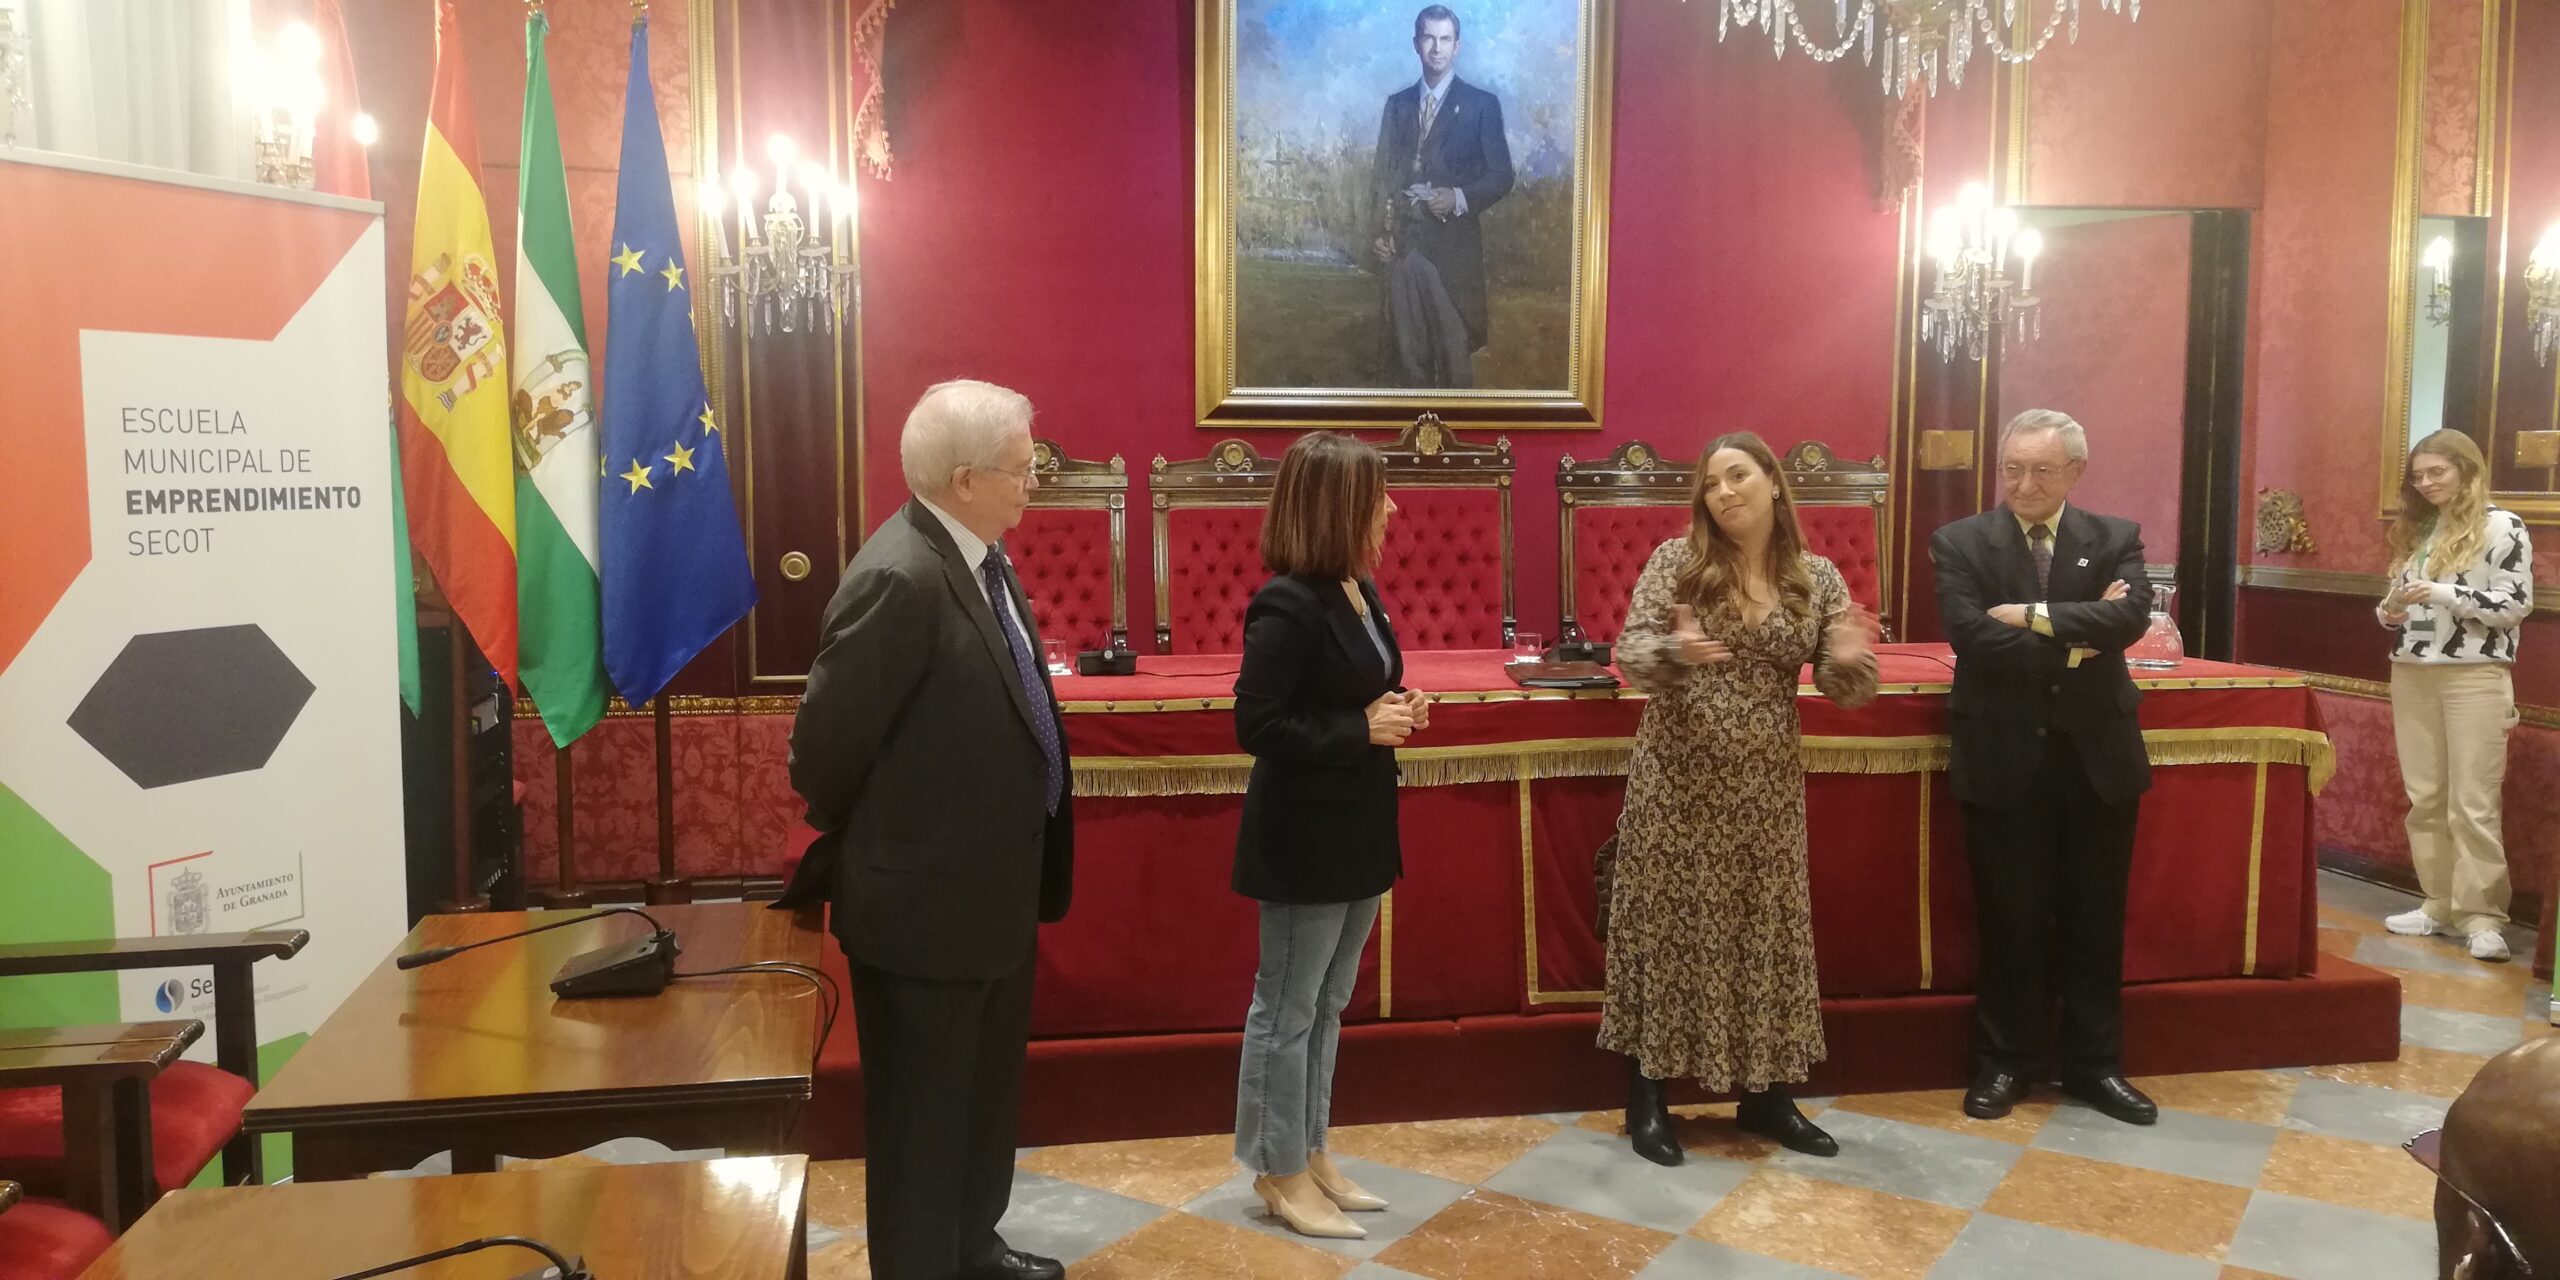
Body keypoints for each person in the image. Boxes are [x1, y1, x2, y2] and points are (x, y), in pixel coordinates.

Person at [777, 379, 1073, 1280]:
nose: (1034, 481)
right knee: (922, 1123)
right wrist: (895, 843)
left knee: (981, 1104)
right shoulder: (899, 577)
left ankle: (972, 1248)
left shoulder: (982, 556)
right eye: (1020, 468)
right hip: (923, 912)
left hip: (992, 897)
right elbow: (823, 752)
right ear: (963, 478)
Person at [1601, 431, 1879, 1166]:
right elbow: (1629, 656)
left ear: (1773, 483)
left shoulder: (1816, 578)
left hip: (1766, 790)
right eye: (1711, 483)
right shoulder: (1678, 563)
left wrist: (1849, 658)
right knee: (1667, 929)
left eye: (1737, 476)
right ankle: (1647, 1096)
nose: (1723, 493)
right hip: (1678, 781)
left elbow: (1848, 691)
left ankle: (1766, 1095)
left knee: (1765, 932)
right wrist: (1673, 651)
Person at [1931, 409, 2157, 1127]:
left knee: (2096, 919)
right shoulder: (1960, 541)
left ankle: (2096, 1066)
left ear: (2075, 472)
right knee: (2011, 919)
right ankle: (2005, 1064)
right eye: (2013, 469)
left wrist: (2029, 615)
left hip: (2097, 760)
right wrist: (2081, 637)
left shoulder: (2115, 536)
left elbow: (2131, 620)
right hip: (2003, 757)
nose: (2024, 484)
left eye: (2041, 471)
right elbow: (1971, 636)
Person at [1230, 432, 1430, 1239]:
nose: (1391, 508)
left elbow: (1362, 690)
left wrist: (1400, 707)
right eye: (1377, 495)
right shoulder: (1287, 602)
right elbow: (1257, 724)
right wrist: (1359, 729)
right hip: (1303, 841)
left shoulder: (1359, 588)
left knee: (1328, 1004)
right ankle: (1277, 1170)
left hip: (1359, 829)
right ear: (1338, 507)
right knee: (1286, 1009)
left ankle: (1309, 1149)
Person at [2377, 430, 2533, 963]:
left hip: (2474, 674)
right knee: (2426, 797)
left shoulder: (2502, 526)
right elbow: (2400, 605)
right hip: (2412, 670)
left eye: (2437, 472)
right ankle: (2439, 903)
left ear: (2467, 470)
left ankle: (2482, 916)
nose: (2426, 483)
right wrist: (2390, 610)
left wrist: (2445, 593)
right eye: (2418, 475)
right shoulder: (2421, 528)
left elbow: (2513, 605)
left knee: (2473, 801)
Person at [1369, 4, 1513, 388]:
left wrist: (1459, 197)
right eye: (1429, 38)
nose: (1436, 48)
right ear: (1416, 44)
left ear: (1457, 46)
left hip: (1451, 259)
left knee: (1453, 366)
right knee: (1407, 365)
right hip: (1402, 254)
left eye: (1445, 39)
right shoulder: (1397, 105)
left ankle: (1457, 430)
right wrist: (1380, 234)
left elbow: (1502, 176)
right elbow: (1381, 179)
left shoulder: (1482, 105)